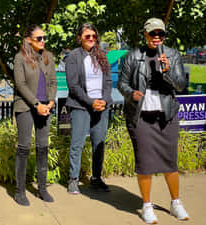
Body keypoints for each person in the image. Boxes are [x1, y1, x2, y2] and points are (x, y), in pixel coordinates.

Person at [118, 18, 189, 224]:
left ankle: (176, 203)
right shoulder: (133, 55)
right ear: (145, 34)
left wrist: (167, 72)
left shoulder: (173, 55)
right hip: (141, 116)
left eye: (161, 34)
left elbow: (180, 86)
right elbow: (122, 82)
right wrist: (132, 94)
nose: (156, 37)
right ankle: (147, 206)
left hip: (166, 115)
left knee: (170, 162)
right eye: (152, 33)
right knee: (145, 163)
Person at [65, 23, 113, 194]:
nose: (91, 38)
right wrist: (90, 101)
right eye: (87, 36)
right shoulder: (73, 56)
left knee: (99, 143)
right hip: (80, 106)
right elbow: (73, 85)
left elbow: (108, 82)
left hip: (101, 106)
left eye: (94, 36)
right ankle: (73, 180)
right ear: (80, 38)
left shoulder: (102, 56)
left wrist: (104, 101)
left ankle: (96, 178)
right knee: (77, 144)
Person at [13, 25, 57, 206]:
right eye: (39, 38)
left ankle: (42, 189)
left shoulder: (48, 57)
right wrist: (36, 104)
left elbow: (53, 81)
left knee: (43, 147)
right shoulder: (20, 57)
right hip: (25, 106)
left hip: (45, 107)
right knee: (24, 148)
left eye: (44, 38)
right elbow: (20, 84)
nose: (43, 41)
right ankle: (20, 191)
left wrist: (51, 101)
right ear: (29, 39)